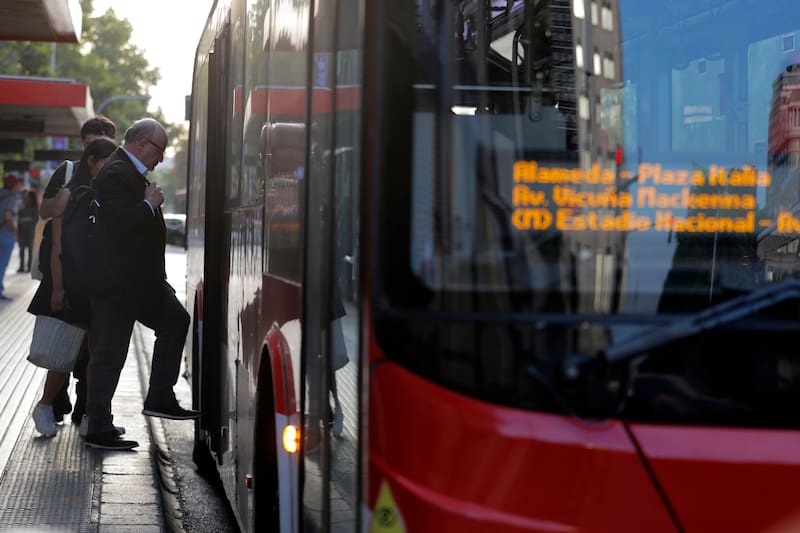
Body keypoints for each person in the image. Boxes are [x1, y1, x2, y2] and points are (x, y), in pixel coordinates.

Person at [85, 118, 198, 450]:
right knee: (110, 354)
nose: (160, 158)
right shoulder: (117, 173)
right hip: (119, 284)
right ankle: (98, 428)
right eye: (159, 150)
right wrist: (149, 204)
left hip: (140, 283)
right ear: (142, 144)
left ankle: (160, 396)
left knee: (175, 320)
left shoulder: (127, 171)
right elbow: (118, 225)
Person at [27, 138, 119, 437]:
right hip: (72, 283)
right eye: (107, 162)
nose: (111, 169)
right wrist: (58, 289)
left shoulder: (108, 192)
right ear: (91, 160)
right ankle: (45, 405)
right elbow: (58, 247)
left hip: (99, 285)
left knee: (96, 354)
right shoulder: (68, 194)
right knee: (65, 351)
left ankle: (94, 415)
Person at [0, 175, 24, 301]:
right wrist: (15, 231)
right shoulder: (11, 197)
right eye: (18, 184)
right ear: (13, 185)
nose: (20, 186)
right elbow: (8, 216)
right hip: (5, 234)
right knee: (2, 264)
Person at [16, 190, 38, 273]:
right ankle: (21, 266)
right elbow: (18, 219)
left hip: (30, 231)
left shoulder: (35, 208)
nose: (26, 198)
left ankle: (29, 266)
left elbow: (36, 219)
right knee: (21, 249)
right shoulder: (22, 207)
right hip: (22, 231)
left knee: (30, 249)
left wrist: (27, 219)